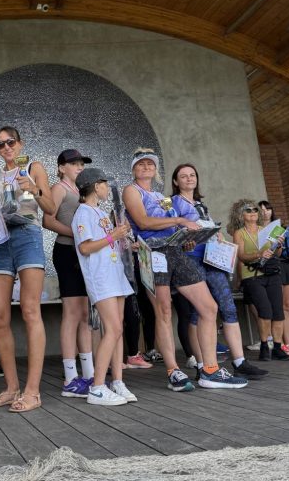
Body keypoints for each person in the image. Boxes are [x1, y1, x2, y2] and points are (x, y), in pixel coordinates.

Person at [123, 149, 244, 391]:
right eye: (141, 164)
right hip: (153, 253)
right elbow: (144, 221)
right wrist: (179, 221)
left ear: (156, 170)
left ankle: (209, 370)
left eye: (151, 163)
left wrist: (187, 236)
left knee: (209, 307)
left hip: (175, 251)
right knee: (164, 310)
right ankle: (173, 371)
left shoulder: (161, 195)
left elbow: (171, 220)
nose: (147, 167)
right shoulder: (131, 190)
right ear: (134, 168)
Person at [171, 164, 267, 381]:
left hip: (213, 258)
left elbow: (209, 228)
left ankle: (240, 362)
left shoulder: (201, 204)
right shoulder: (173, 204)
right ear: (176, 182)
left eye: (192, 175)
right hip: (191, 260)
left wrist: (219, 236)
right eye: (183, 176)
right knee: (199, 313)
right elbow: (173, 231)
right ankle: (202, 364)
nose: (189, 179)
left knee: (228, 307)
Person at [0, 126, 54, 412]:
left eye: (10, 142)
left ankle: (32, 391)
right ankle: (12, 388)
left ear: (20, 143)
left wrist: (34, 189)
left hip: (27, 236)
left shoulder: (34, 168)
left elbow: (49, 208)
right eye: (0, 144)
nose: (6, 148)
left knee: (29, 309)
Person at [72, 168, 137, 405]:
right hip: (100, 278)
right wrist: (114, 235)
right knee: (112, 329)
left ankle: (117, 381)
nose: (107, 188)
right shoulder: (83, 213)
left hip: (115, 274)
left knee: (118, 328)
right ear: (94, 185)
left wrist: (122, 238)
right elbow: (85, 248)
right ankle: (97, 386)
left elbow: (107, 244)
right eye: (104, 183)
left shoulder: (99, 211)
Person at [42, 149, 96, 398]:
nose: (79, 167)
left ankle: (89, 372)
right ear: (62, 167)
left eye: (81, 164)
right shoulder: (59, 188)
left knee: (84, 313)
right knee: (72, 313)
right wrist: (77, 235)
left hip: (83, 254)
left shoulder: (80, 191)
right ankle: (71, 377)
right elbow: (47, 220)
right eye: (74, 163)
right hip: (66, 253)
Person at [229, 199, 289, 362]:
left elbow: (276, 254)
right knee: (265, 311)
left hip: (271, 273)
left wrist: (279, 245)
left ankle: (277, 348)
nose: (253, 212)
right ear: (242, 215)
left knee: (278, 312)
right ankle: (265, 345)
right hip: (252, 275)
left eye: (255, 210)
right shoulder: (239, 233)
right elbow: (241, 255)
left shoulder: (267, 229)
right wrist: (258, 255)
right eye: (248, 210)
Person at [258, 200, 289, 358]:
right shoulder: (255, 230)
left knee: (288, 306)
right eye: (261, 209)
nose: (265, 212)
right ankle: (280, 343)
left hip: (286, 265)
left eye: (268, 209)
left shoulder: (283, 227)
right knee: (276, 306)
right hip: (268, 267)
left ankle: (288, 342)